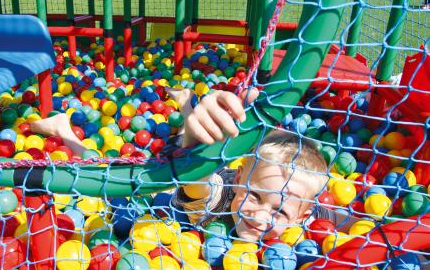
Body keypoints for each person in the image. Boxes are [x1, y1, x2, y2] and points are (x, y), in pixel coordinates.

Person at [31, 86, 329, 242]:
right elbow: (199, 182)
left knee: (195, 137)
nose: (260, 215)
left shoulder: (301, 222)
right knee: (107, 181)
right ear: (240, 179)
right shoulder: (219, 198)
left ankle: (187, 103)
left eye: (279, 211)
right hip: (187, 169)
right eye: (254, 195)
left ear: (302, 216)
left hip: (214, 164)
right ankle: (64, 130)